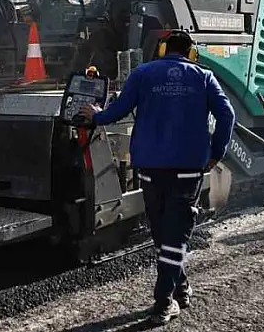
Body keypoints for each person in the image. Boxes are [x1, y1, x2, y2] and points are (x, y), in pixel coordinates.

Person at [80, 30, 236, 325]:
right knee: (174, 236)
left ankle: (164, 301)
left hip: (150, 169)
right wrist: (217, 153)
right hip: (188, 169)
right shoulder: (204, 77)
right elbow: (227, 115)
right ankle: (178, 290)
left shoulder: (143, 74)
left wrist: (96, 116)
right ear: (191, 53)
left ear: (163, 49)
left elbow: (118, 111)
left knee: (163, 232)